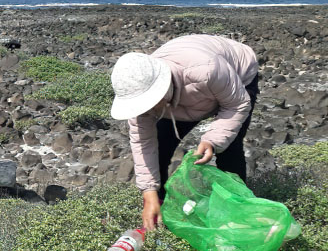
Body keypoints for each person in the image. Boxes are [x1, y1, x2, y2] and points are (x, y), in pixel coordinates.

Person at [110, 34, 259, 230]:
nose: (146, 108)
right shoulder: (139, 93)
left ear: (161, 88)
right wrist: (149, 192)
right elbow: (143, 143)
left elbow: (237, 105)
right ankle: (159, 211)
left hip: (236, 77)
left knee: (229, 147)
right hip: (186, 92)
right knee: (161, 145)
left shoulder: (208, 70)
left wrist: (212, 141)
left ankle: (236, 212)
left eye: (149, 102)